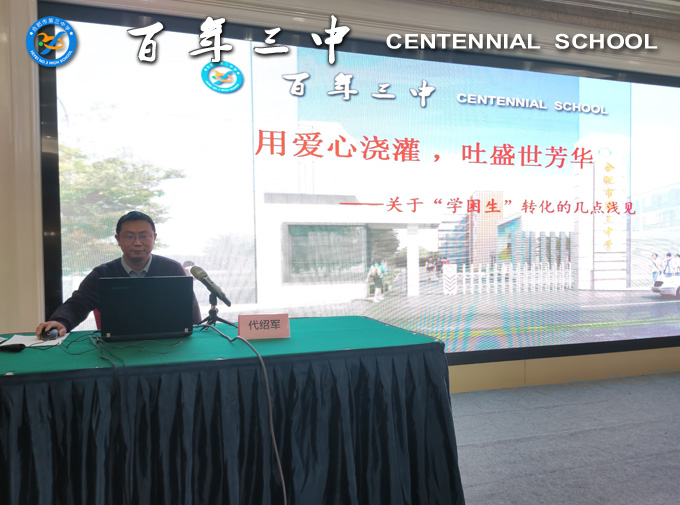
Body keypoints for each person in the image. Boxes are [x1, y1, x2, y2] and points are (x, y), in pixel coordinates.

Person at [35, 211, 201, 337]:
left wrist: (199, 333)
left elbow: (190, 310)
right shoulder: (103, 273)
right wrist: (60, 321)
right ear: (118, 239)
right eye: (129, 236)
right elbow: (77, 304)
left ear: (154, 237)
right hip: (116, 347)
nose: (137, 242)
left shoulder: (172, 269)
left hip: (168, 343)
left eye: (144, 236)